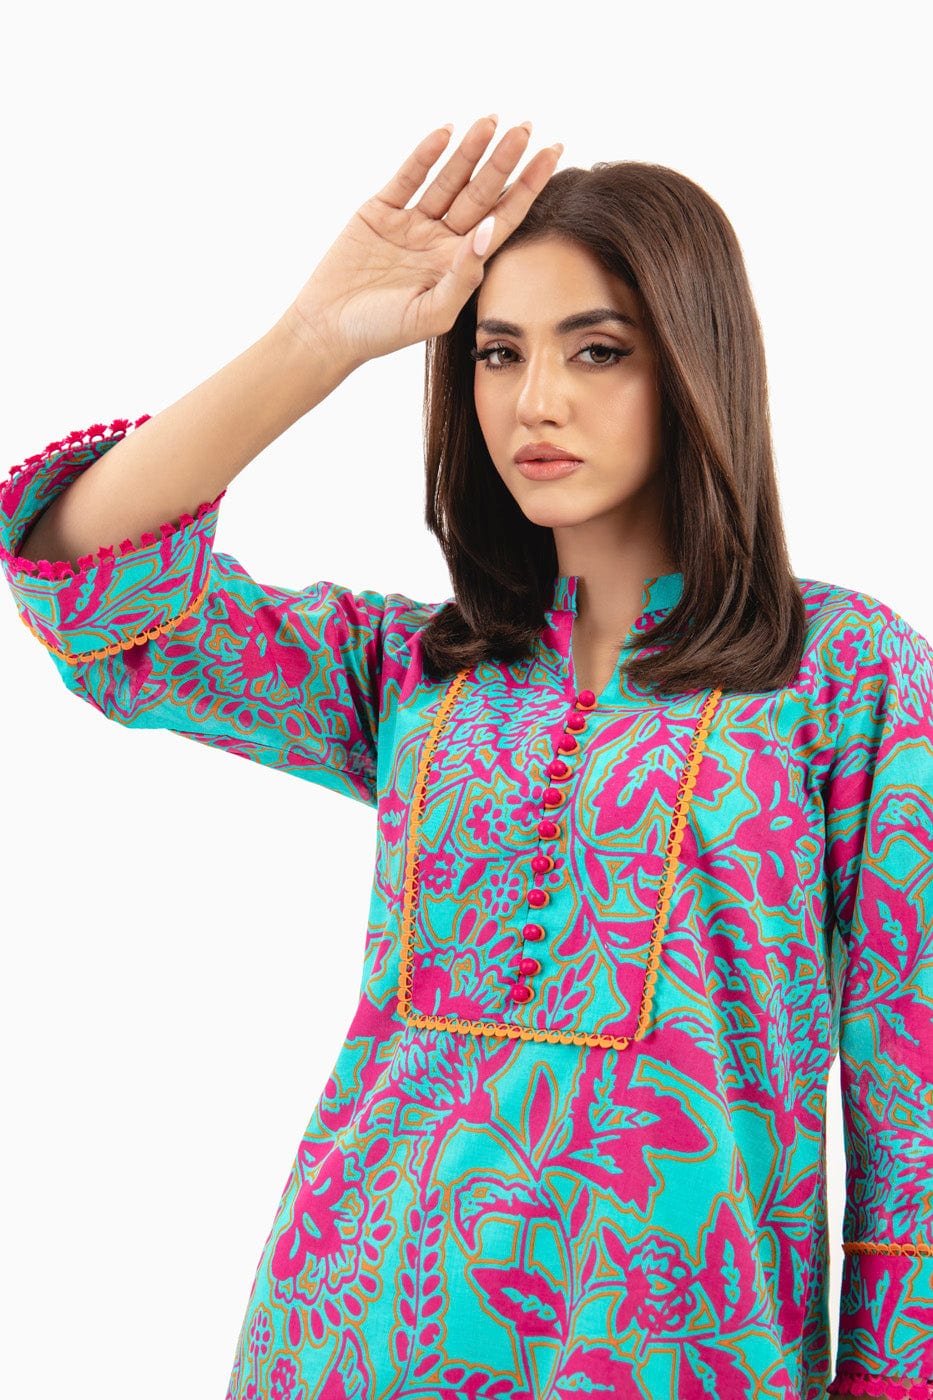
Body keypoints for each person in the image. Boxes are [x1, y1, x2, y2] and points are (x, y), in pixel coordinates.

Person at [1, 114, 930, 1400]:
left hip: (673, 1353)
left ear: (694, 363)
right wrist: (314, 339)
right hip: (347, 1333)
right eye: (499, 352)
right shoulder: (415, 670)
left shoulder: (842, 672)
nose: (534, 400)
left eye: (596, 349)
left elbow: (910, 1107)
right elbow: (92, 593)